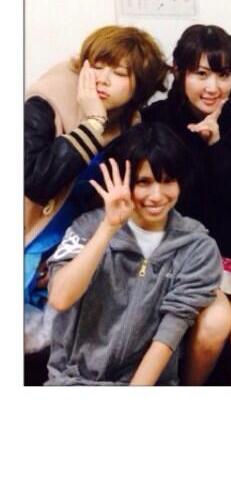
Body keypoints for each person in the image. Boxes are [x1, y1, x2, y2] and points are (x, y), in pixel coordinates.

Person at [143, 24, 231, 385]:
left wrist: (217, 147)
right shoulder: (157, 121)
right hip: (189, 248)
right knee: (213, 324)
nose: (213, 87)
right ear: (179, 71)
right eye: (201, 74)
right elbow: (162, 203)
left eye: (223, 75)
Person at [25, 26, 170, 352]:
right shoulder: (47, 100)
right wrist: (92, 123)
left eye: (118, 73)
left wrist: (68, 255)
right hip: (29, 230)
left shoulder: (130, 123)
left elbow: (108, 202)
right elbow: (36, 183)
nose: (102, 80)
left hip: (79, 235)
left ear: (138, 86)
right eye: (98, 66)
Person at [45, 122, 221, 385]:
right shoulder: (87, 227)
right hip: (73, 381)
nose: (157, 195)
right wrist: (108, 227)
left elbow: (169, 334)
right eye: (144, 182)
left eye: (168, 181)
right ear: (124, 182)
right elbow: (60, 298)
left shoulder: (197, 246)